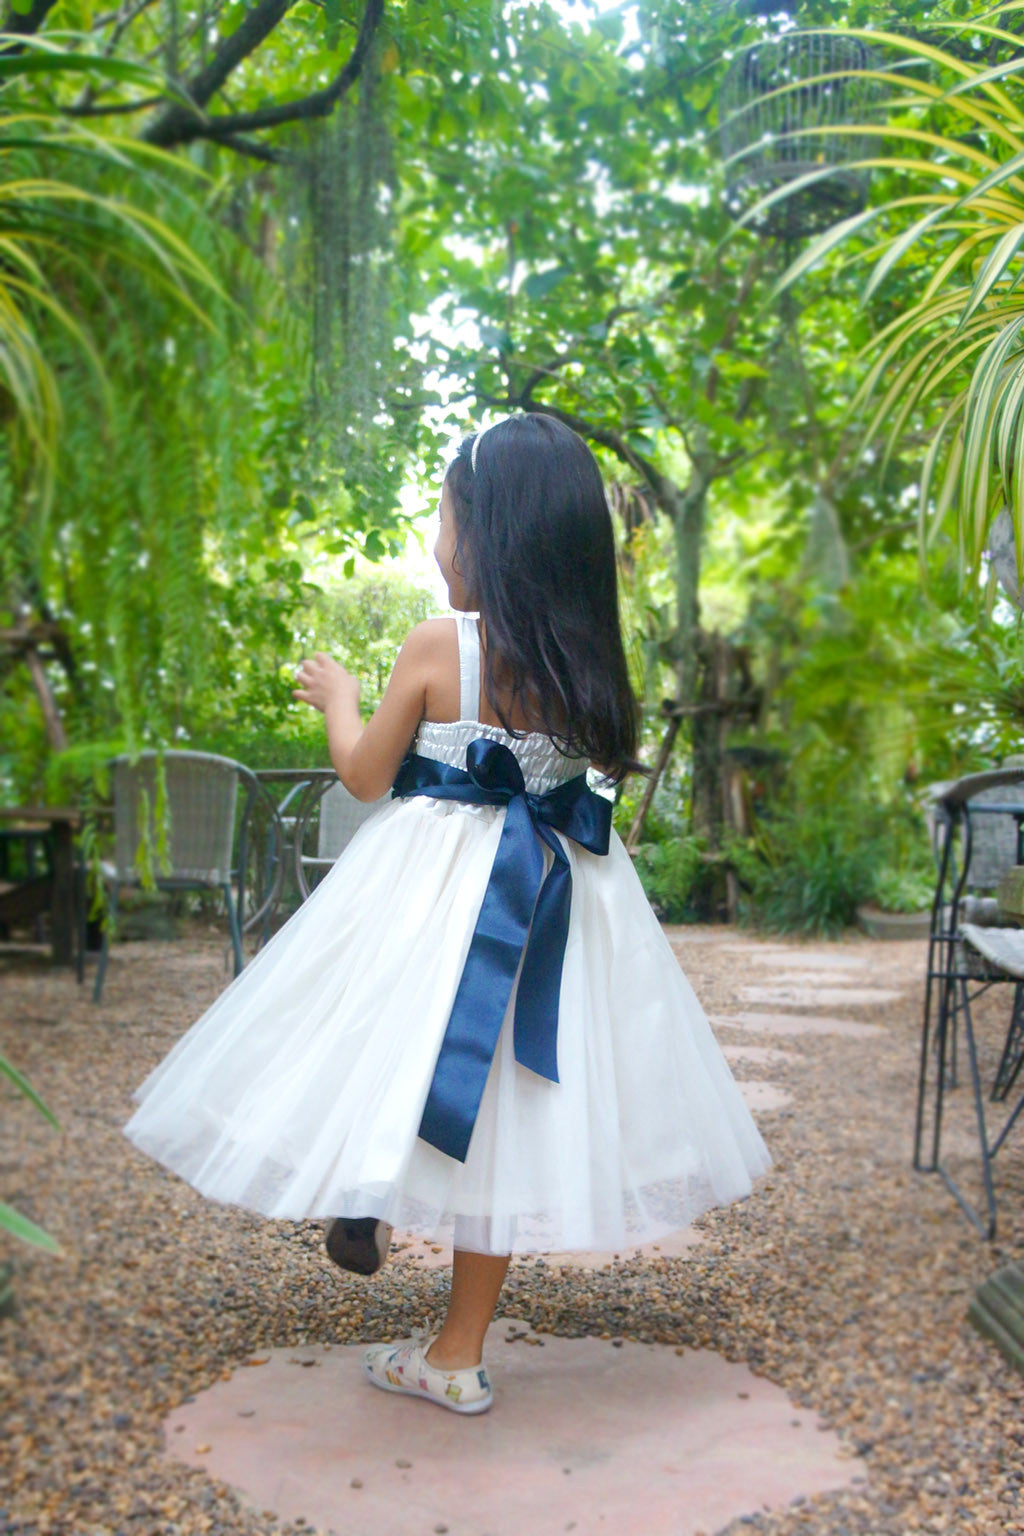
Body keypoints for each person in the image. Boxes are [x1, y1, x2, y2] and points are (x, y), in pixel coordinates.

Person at [124, 414, 770, 1417]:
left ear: (486, 532)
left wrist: (339, 694)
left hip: (430, 891)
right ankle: (457, 1346)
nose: (436, 538)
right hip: (556, 890)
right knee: (506, 1104)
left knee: (375, 1036)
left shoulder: (441, 645)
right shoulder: (589, 660)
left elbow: (366, 773)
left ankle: (361, 1199)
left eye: (443, 514)